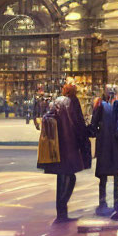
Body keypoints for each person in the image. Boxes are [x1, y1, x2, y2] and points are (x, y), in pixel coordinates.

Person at [39, 81, 91, 223]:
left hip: (59, 146)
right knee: (70, 177)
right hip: (70, 146)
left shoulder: (57, 102)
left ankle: (61, 213)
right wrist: (86, 139)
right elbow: (79, 124)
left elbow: (47, 118)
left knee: (62, 178)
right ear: (73, 92)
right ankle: (62, 213)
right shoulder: (73, 102)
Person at [89, 84, 118, 218]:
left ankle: (102, 203)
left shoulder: (100, 105)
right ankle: (117, 204)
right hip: (117, 146)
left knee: (103, 176)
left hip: (104, 145)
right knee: (117, 175)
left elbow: (93, 125)